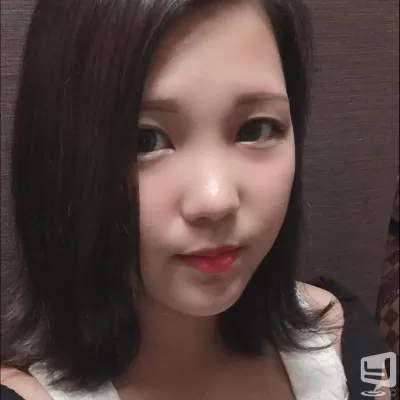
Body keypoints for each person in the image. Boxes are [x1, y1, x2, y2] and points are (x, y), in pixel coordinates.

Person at [0, 0, 391, 399]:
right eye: (145, 140)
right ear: (60, 162)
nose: (216, 200)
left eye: (255, 129)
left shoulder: (349, 335)